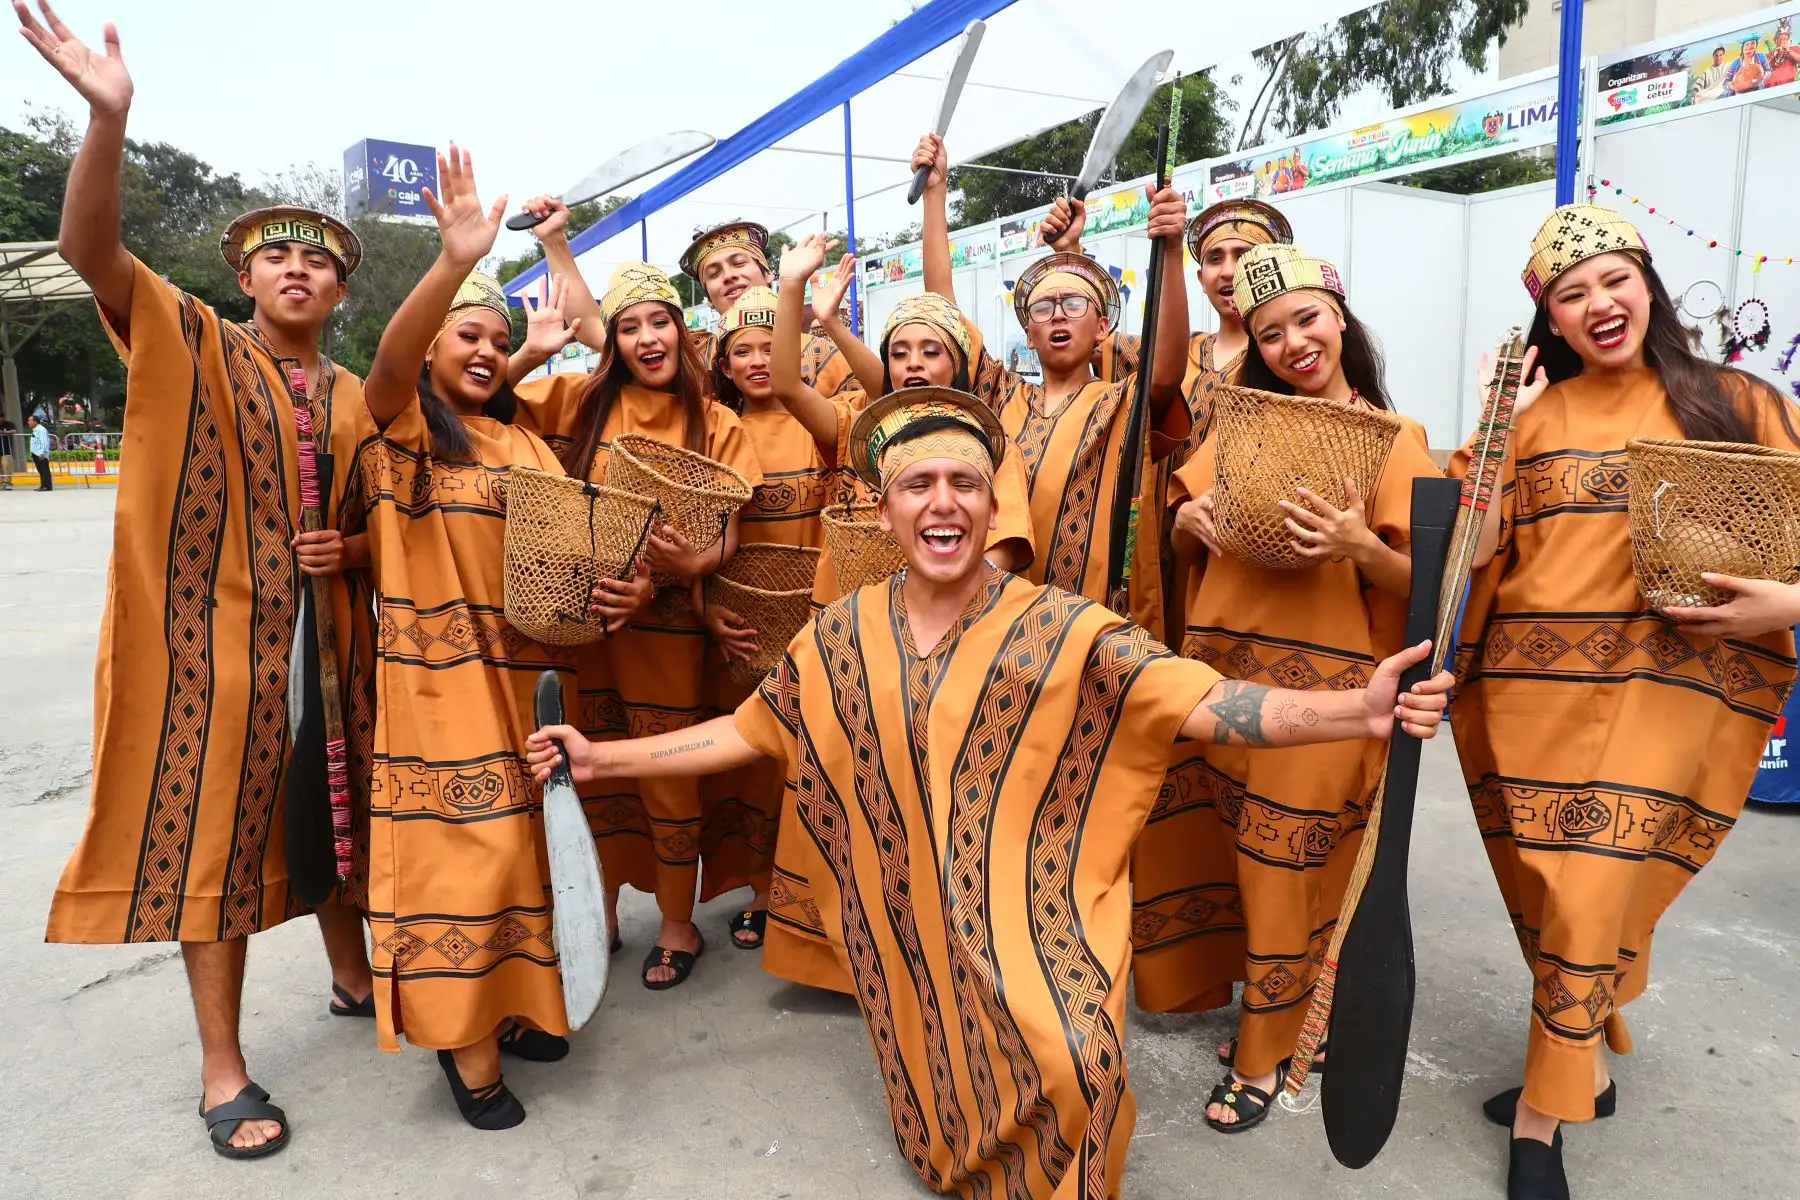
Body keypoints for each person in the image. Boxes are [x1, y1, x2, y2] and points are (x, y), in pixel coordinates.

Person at [526, 388, 1452, 1199]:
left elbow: (1207, 703)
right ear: (885, 512)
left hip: (1036, 914)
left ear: (987, 507)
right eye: (918, 485)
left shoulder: (1061, 628)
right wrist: (601, 759)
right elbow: (746, 731)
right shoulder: (839, 634)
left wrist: (1356, 711)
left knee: (1079, 1064)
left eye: (964, 484)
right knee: (937, 1075)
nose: (942, 502)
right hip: (908, 927)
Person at [20, 1, 378, 1158]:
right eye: (277, 253)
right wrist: (107, 120)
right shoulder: (195, 339)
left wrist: (354, 552)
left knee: (338, 812)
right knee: (211, 836)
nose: (298, 269)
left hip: (334, 647)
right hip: (215, 650)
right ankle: (224, 1069)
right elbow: (89, 253)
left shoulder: (358, 392)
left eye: (318, 261)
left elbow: (397, 522)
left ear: (338, 296)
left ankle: (347, 975)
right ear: (243, 275)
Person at [1457, 203, 1800, 1199]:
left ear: (1647, 283)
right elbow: (1474, 556)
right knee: (1551, 896)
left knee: (1593, 884)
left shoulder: (1735, 400)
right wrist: (1491, 422)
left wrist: (1785, 602)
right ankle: (1588, 1057)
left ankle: (1539, 1118)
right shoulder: (1532, 423)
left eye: (1615, 280)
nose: (1599, 304)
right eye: (1572, 295)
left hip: (1664, 693)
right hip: (1526, 705)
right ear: (1549, 324)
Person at [1136, 242, 1445, 1134]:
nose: (1292, 343)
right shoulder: (1238, 427)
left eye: (1306, 319)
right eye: (1270, 333)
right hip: (1223, 688)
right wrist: (1186, 517)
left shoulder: (1396, 439)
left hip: (1327, 708)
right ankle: (1281, 1003)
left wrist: (1359, 549)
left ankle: (1266, 1050)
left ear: (1340, 318)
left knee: (1283, 871)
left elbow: (1425, 587)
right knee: (1223, 859)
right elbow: (1184, 528)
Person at [355, 146, 582, 1130]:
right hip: (437, 690)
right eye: (466, 337)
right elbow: (389, 365)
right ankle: (465, 1047)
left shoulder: (524, 438)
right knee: (467, 859)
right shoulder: (404, 424)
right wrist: (452, 262)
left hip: (524, 675)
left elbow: (565, 557)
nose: (484, 352)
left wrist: (607, 590)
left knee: (524, 850)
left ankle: (518, 1008)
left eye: (498, 339)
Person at [512, 257, 763, 990]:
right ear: (612, 341)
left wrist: (676, 569)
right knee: (588, 769)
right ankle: (604, 908)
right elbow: (487, 406)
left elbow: (727, 540)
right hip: (579, 619)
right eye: (629, 327)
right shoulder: (579, 400)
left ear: (683, 333)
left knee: (662, 769)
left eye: (660, 322)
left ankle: (679, 922)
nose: (647, 338)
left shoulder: (716, 420)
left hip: (667, 631)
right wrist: (530, 350)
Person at [916, 134, 1193, 638]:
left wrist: (1171, 252)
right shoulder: (1001, 399)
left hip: (1102, 630)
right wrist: (936, 196)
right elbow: (944, 316)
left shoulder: (1121, 402)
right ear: (1029, 332)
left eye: (1075, 304)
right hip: (1004, 628)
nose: (1058, 315)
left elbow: (1167, 368)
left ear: (1102, 328)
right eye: (1044, 308)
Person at [27, 413, 52, 490]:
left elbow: (44, 442)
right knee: (41, 471)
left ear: (35, 422)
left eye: (29, 421)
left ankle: (47, 486)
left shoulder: (41, 430)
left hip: (40, 454)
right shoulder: (36, 429)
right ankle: (43, 485)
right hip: (36, 453)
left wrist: (42, 453)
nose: (28, 422)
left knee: (44, 470)